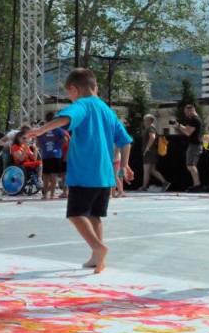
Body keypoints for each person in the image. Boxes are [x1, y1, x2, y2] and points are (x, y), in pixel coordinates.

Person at [27, 68, 133, 274]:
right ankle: (96, 257)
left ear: (74, 89)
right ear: (95, 86)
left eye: (69, 93)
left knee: (75, 214)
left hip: (85, 171)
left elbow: (65, 119)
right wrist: (126, 165)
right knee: (95, 215)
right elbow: (125, 141)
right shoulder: (107, 110)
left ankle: (98, 248)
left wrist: (40, 130)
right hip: (104, 174)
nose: (70, 98)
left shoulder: (82, 105)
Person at [36, 112, 69, 200]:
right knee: (54, 175)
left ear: (46, 120)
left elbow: (37, 143)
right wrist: (57, 146)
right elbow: (66, 140)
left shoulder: (42, 130)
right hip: (56, 154)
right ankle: (52, 194)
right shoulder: (58, 130)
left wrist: (44, 146)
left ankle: (45, 194)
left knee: (45, 175)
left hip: (46, 154)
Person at [174, 104, 203, 191]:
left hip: (195, 145)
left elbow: (188, 132)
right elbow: (187, 129)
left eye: (187, 112)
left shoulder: (194, 119)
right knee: (191, 166)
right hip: (195, 145)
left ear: (192, 110)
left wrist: (179, 126)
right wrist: (179, 125)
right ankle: (196, 184)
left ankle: (197, 185)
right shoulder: (195, 119)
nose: (186, 114)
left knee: (191, 165)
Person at [139, 114, 170, 192]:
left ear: (149, 121)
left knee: (146, 170)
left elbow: (152, 137)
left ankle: (144, 186)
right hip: (152, 152)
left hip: (149, 152)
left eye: (145, 120)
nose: (144, 122)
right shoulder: (151, 128)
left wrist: (147, 148)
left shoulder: (150, 128)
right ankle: (165, 182)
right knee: (152, 170)